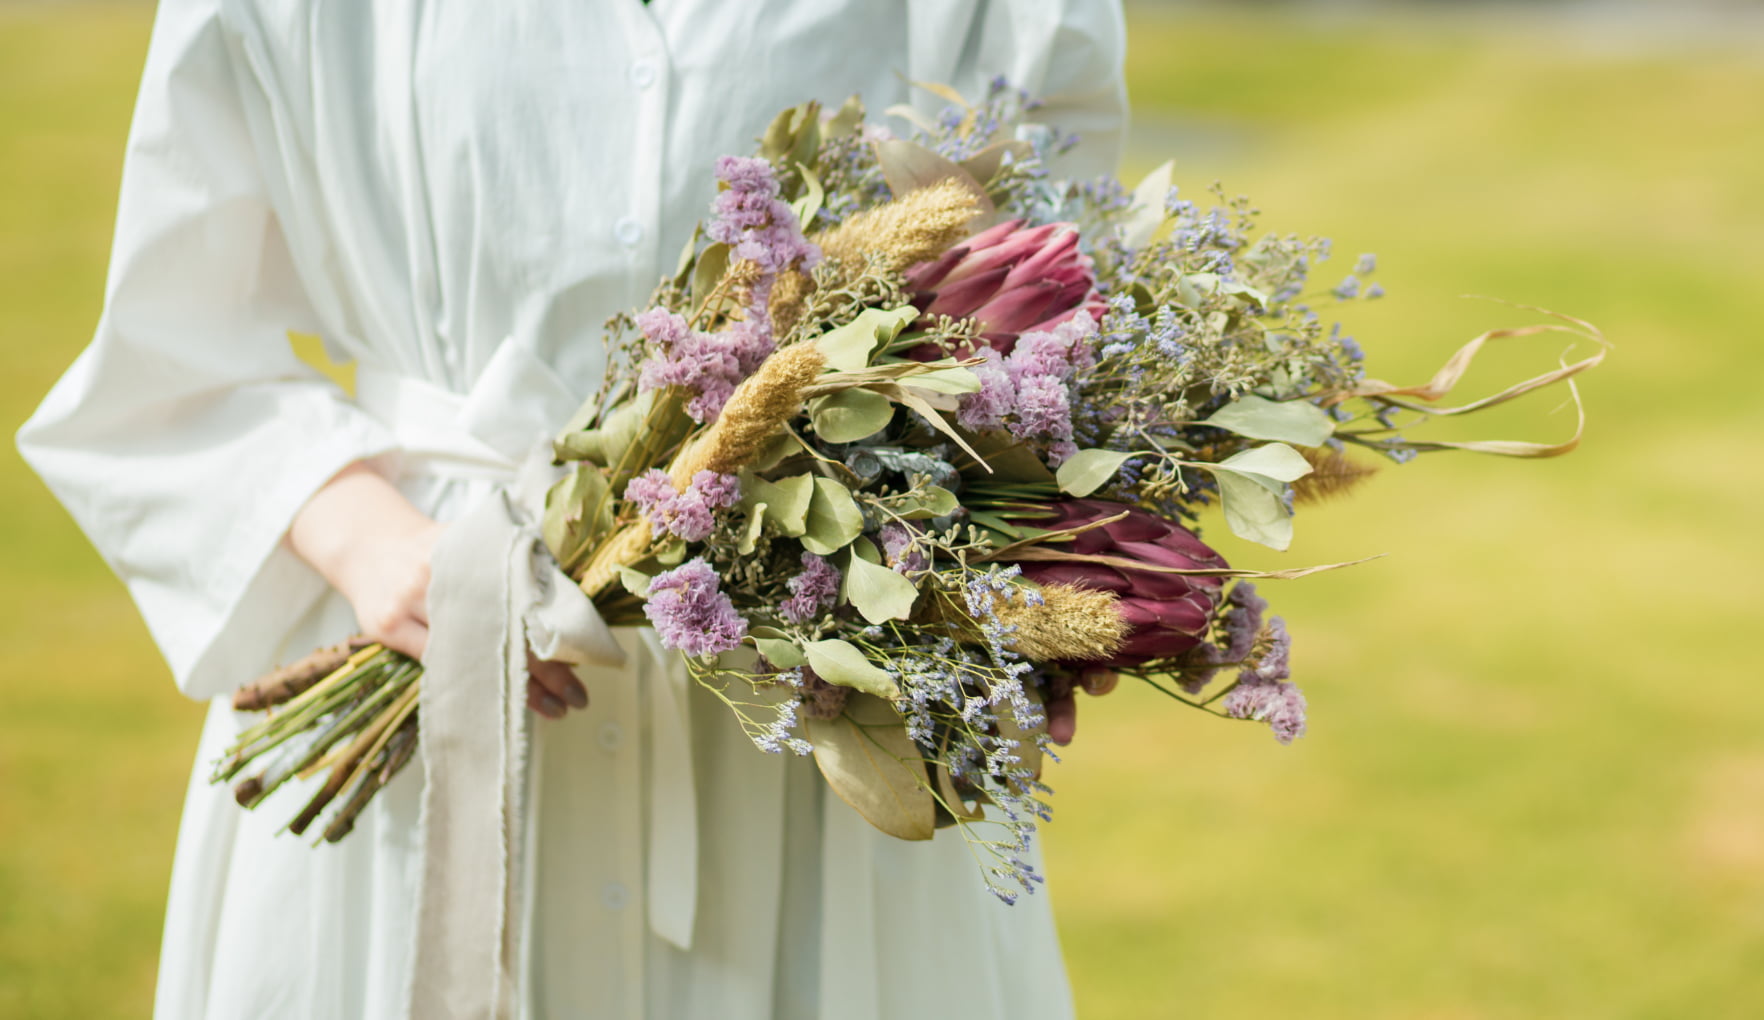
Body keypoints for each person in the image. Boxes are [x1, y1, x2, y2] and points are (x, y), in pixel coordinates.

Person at [17, 1, 1129, 1017]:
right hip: (421, 639)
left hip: (810, 687)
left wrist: (1041, 554)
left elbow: (1060, 300)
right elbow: (173, 349)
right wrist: (368, 537)